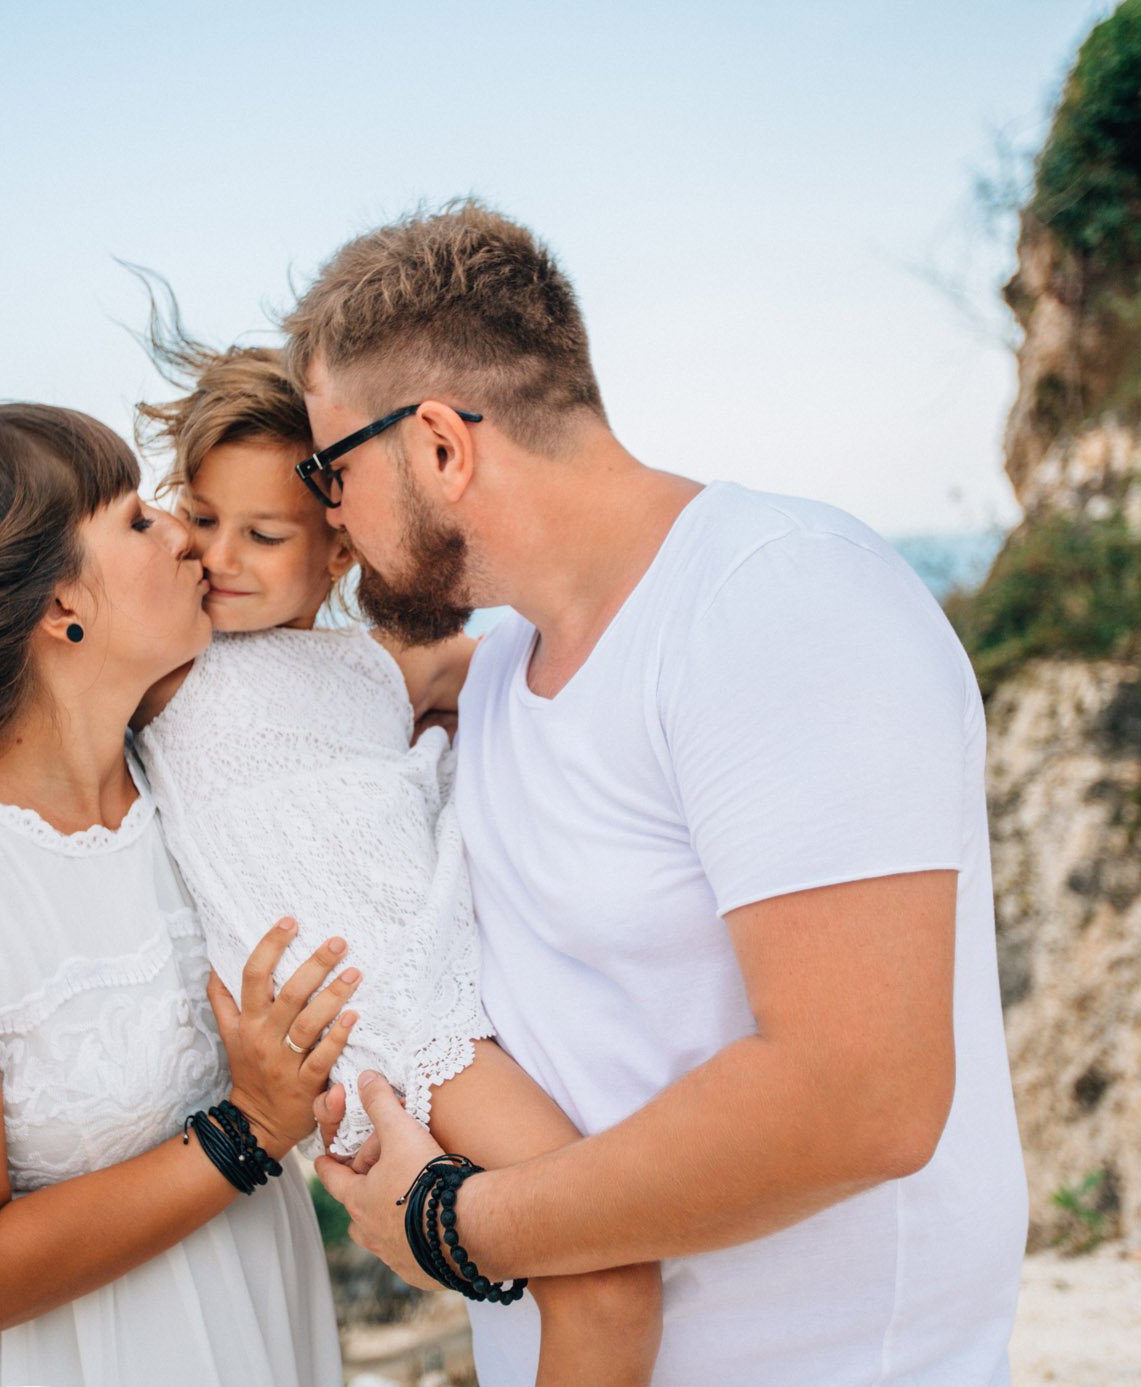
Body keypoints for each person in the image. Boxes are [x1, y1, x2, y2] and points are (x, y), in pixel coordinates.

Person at [294, 201, 1030, 1385]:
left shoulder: (775, 604)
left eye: (329, 469)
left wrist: (451, 1223)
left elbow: (862, 1098)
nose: (325, 515)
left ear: (439, 445)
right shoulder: (501, 678)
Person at [126, 321, 661, 1385]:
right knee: (605, 1276)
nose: (220, 558)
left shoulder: (375, 660)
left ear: (337, 544)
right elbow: (6, 764)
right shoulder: (162, 668)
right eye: (201, 519)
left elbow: (522, 655)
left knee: (602, 1274)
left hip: (449, 993)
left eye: (263, 535)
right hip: (387, 1025)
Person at [0, 403, 353, 1385]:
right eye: (137, 519)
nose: (185, 531)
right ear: (62, 607)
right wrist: (251, 1126)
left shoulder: (193, 768)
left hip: (253, 1330)